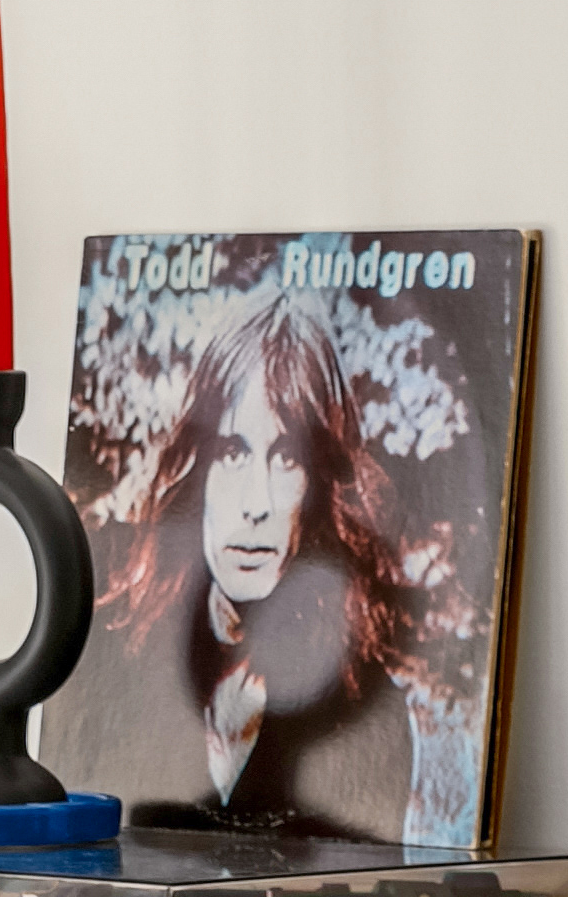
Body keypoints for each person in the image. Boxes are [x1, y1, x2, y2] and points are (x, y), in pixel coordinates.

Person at [78, 285, 426, 838]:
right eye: (233, 453)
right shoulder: (115, 662)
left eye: (287, 458)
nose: (256, 503)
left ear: (318, 488)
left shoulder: (369, 711)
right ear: (196, 467)